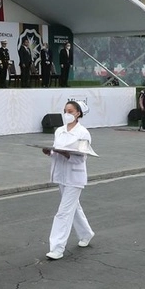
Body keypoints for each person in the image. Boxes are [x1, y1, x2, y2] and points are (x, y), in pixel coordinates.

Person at [43, 101, 94, 259]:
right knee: (74, 208)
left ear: (78, 113)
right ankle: (86, 234)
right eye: (65, 110)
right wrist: (50, 152)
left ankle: (57, 248)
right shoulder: (59, 131)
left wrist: (67, 155)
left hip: (75, 177)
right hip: (61, 175)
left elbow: (82, 158)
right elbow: (56, 151)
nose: (67, 114)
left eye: (70, 111)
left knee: (63, 212)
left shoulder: (83, 133)